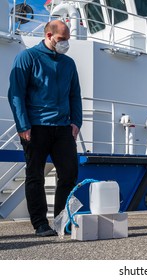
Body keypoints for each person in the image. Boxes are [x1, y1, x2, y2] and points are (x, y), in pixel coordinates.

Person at [8, 20, 82, 236]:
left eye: (68, 40)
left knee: (69, 173)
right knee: (35, 175)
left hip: (62, 128)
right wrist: (22, 124)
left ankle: (62, 220)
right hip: (35, 127)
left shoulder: (69, 64)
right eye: (62, 40)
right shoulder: (27, 57)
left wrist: (76, 122)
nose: (66, 44)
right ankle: (40, 224)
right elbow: (16, 94)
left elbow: (74, 95)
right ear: (49, 35)